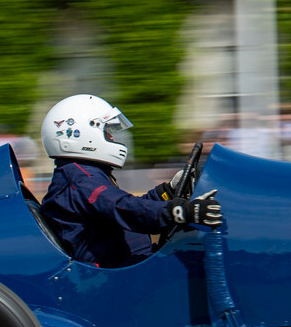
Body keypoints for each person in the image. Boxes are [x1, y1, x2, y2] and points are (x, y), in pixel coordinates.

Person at [39, 94, 221, 267]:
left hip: (128, 265)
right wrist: (180, 211)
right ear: (78, 134)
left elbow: (126, 208)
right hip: (112, 277)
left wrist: (167, 192)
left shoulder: (83, 173)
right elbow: (123, 209)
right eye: (107, 131)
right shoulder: (81, 180)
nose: (112, 137)